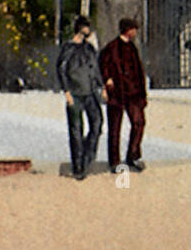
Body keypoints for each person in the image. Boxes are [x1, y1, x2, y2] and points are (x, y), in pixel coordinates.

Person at [56, 16, 106, 180]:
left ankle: (87, 156)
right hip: (75, 94)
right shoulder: (68, 48)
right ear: (79, 28)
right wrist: (67, 92)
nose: (88, 29)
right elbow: (61, 70)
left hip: (90, 93)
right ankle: (78, 166)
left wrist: (102, 86)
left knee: (97, 124)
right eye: (86, 27)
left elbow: (95, 69)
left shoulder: (89, 48)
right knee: (76, 131)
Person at [99, 18, 148, 172]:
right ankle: (114, 162)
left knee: (139, 122)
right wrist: (107, 81)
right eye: (133, 29)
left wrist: (142, 94)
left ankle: (132, 156)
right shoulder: (111, 47)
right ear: (126, 30)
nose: (135, 32)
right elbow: (103, 65)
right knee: (115, 128)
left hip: (133, 94)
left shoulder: (132, 48)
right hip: (117, 94)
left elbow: (139, 71)